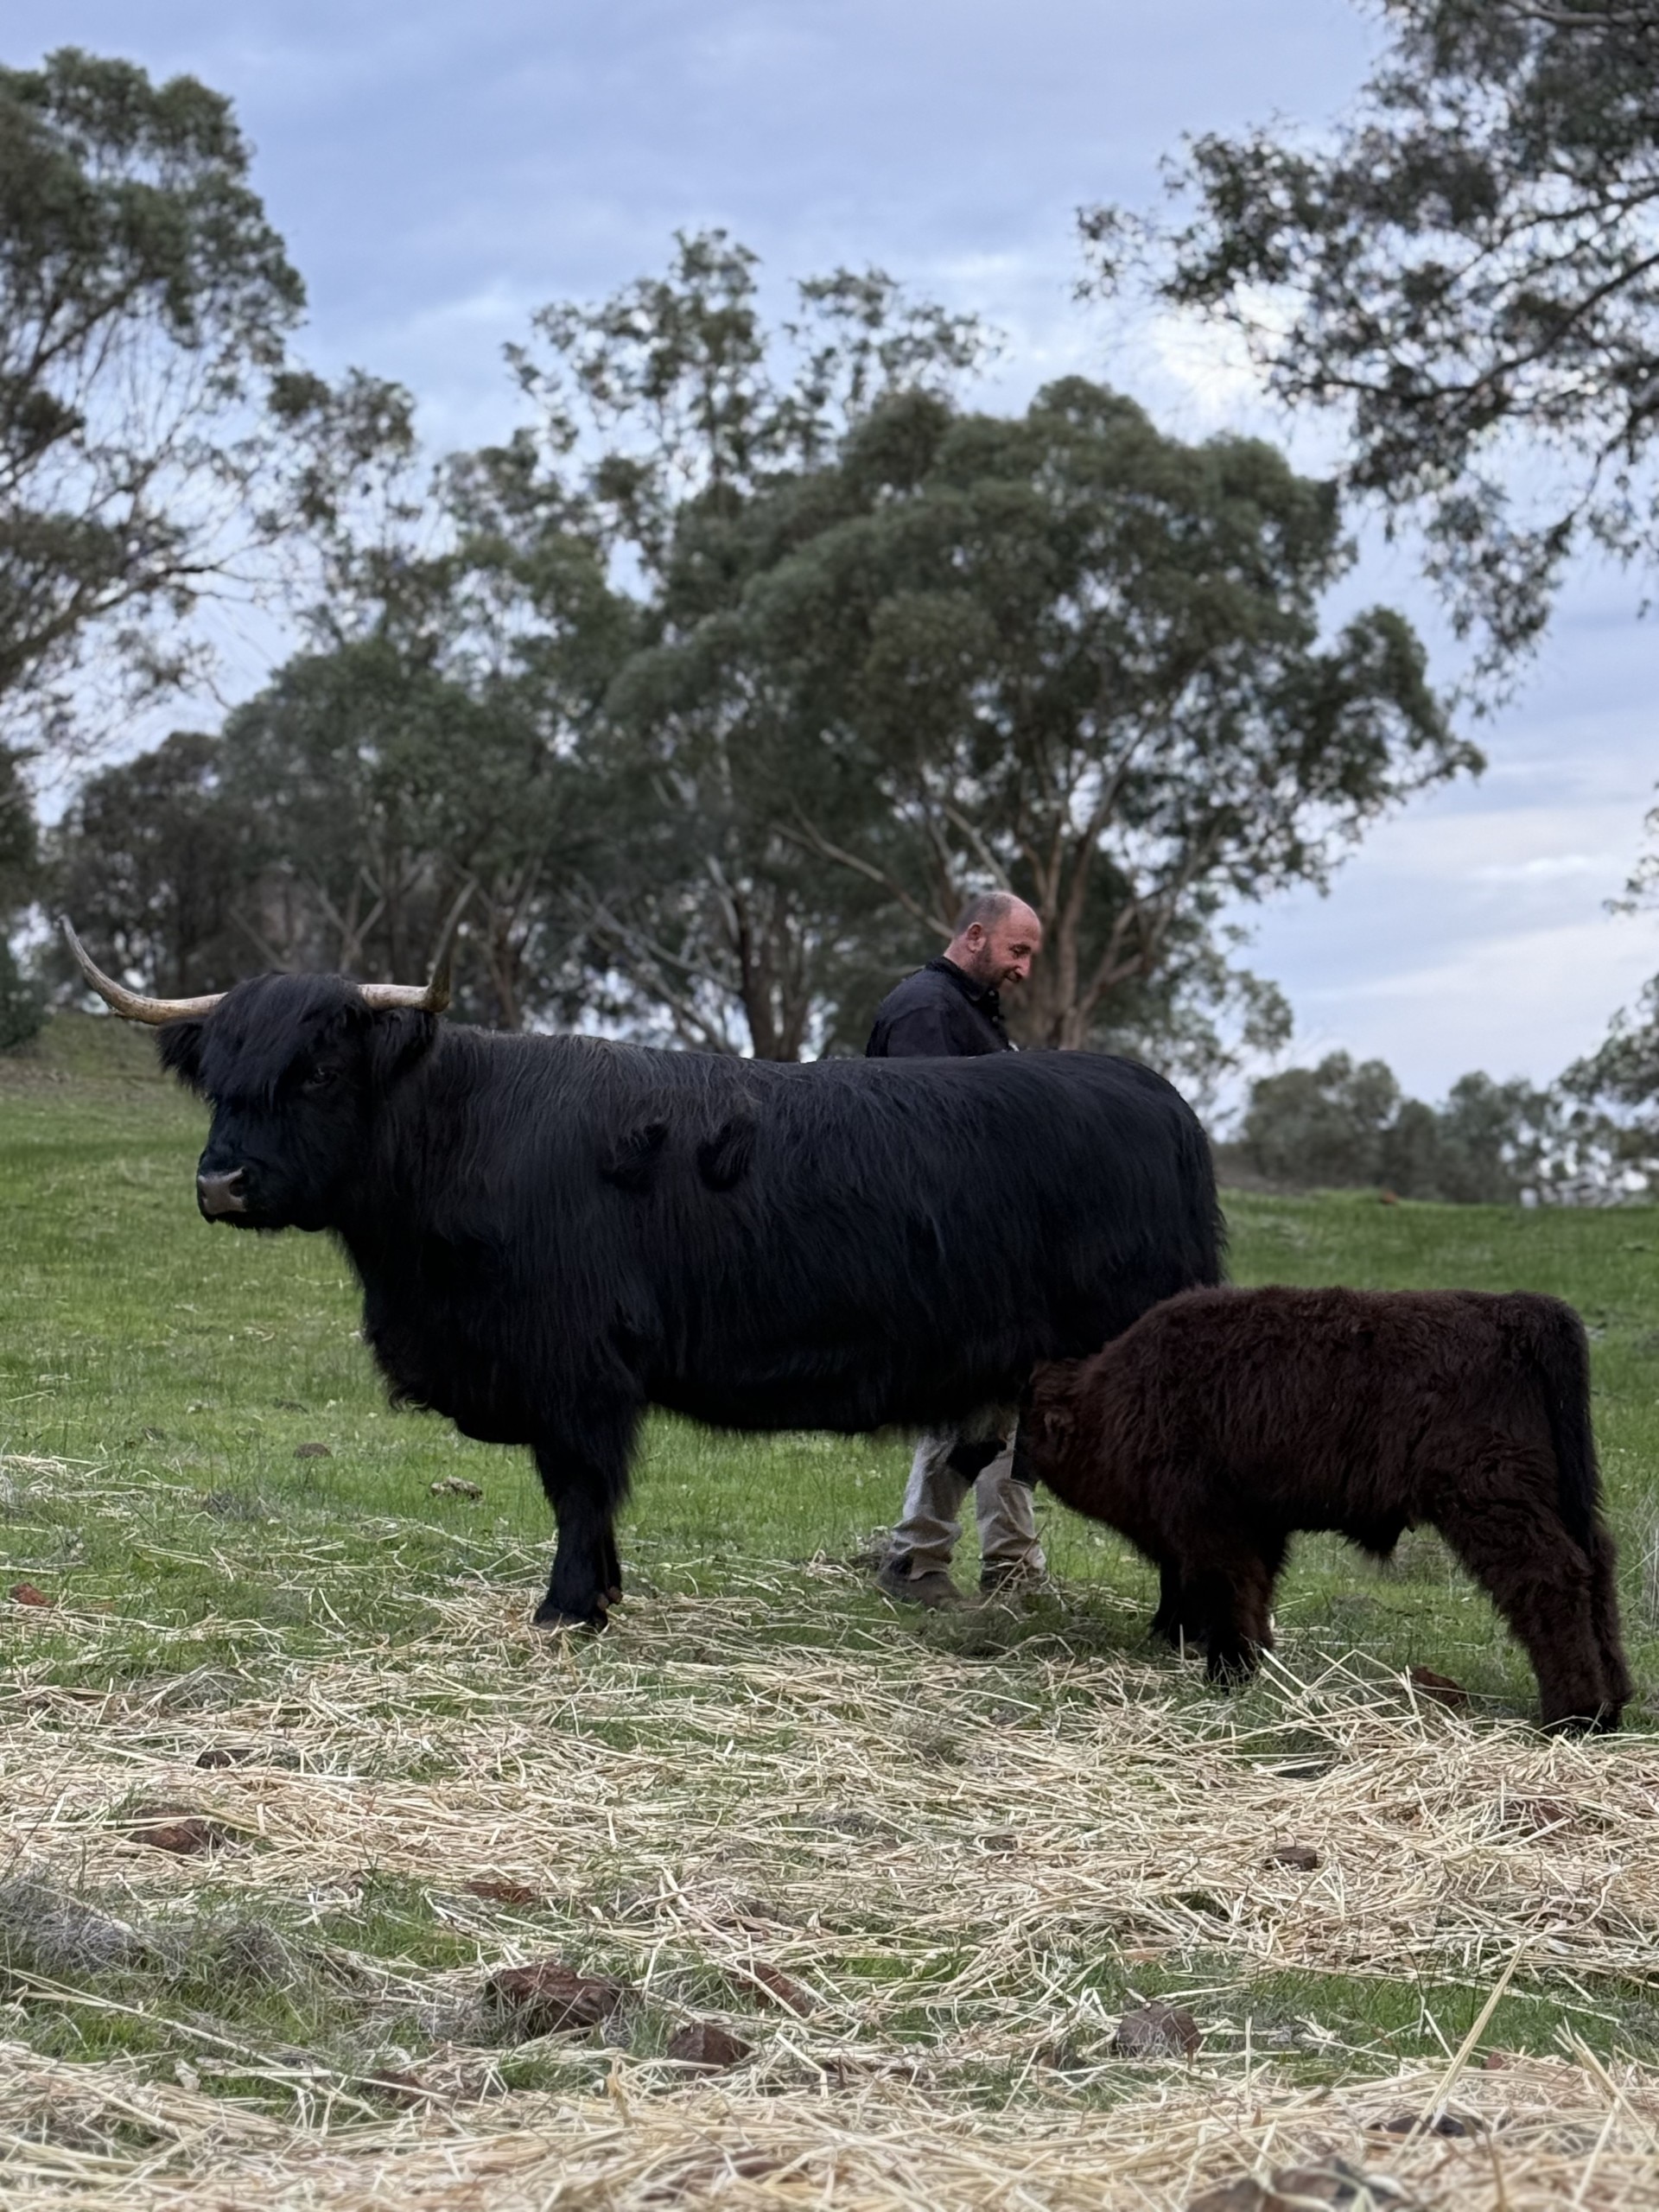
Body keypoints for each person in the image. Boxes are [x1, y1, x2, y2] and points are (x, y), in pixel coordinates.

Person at [865, 889, 1049, 1609]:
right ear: (975, 937)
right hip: (941, 1256)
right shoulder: (925, 1013)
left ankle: (1010, 1567)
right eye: (1018, 951)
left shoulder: (967, 1015)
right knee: (969, 1400)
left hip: (988, 1253)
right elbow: (930, 1148)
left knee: (1008, 1399)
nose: (1025, 969)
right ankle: (917, 1562)